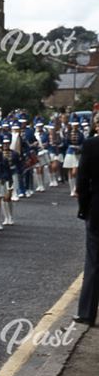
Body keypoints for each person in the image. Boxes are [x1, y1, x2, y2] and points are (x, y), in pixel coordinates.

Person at [74, 123, 99, 326]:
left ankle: (87, 313)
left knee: (93, 262)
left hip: (97, 210)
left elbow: (81, 181)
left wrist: (84, 207)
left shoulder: (91, 145)